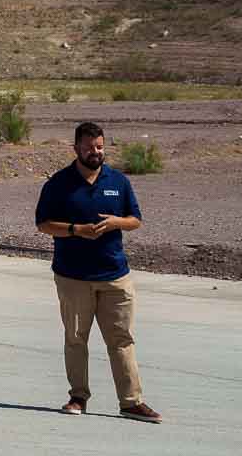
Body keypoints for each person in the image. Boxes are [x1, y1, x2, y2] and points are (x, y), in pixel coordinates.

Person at [34, 121, 162, 422]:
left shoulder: (118, 181)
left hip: (115, 275)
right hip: (73, 277)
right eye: (90, 147)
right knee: (76, 339)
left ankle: (131, 402)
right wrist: (77, 230)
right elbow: (43, 224)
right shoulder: (59, 184)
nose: (96, 152)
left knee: (122, 339)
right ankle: (78, 397)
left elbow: (136, 219)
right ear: (77, 148)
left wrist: (116, 223)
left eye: (100, 146)